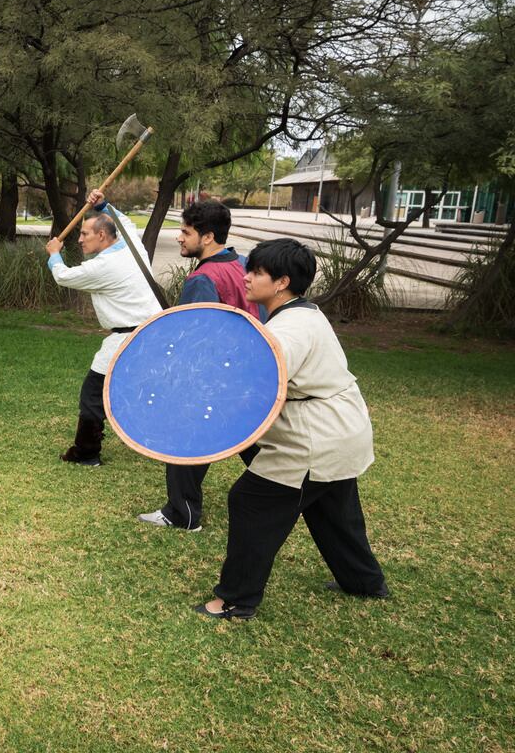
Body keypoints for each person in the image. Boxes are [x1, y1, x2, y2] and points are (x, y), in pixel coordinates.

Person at [195, 238, 388, 620]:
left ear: (282, 282)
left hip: (316, 437)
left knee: (251, 502)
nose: (246, 277)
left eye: (256, 273)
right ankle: (364, 582)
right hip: (342, 430)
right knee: (334, 508)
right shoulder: (303, 314)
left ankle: (235, 599)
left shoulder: (291, 328)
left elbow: (268, 369)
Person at [138, 200, 262, 531]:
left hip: (215, 377)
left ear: (207, 237)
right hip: (252, 374)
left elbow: (194, 339)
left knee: (185, 437)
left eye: (185, 232)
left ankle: (182, 514)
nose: (179, 238)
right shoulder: (246, 265)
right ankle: (289, 488)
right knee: (248, 437)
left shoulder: (203, 279)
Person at [47, 189, 159, 465]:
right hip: (155, 332)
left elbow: (63, 277)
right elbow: (124, 222)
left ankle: (86, 453)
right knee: (152, 391)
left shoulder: (104, 267)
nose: (80, 239)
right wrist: (104, 204)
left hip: (127, 339)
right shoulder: (132, 243)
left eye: (85, 234)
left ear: (102, 236)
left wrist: (54, 254)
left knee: (92, 395)